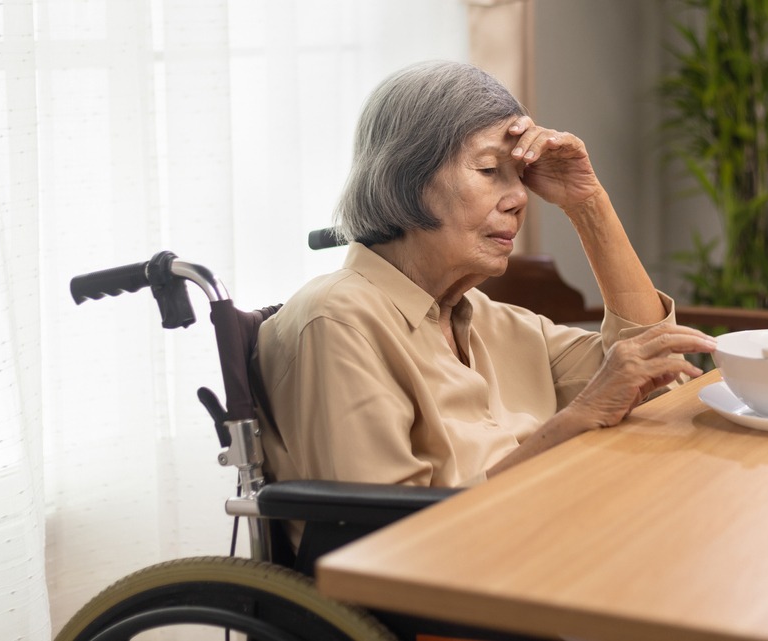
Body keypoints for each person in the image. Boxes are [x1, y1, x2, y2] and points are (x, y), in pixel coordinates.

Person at [257, 60, 715, 490]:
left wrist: (586, 203)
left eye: (522, 175)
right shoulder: (338, 321)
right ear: (406, 177)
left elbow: (655, 382)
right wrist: (580, 416)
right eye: (490, 170)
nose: (520, 197)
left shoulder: (497, 323)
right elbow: (382, 537)